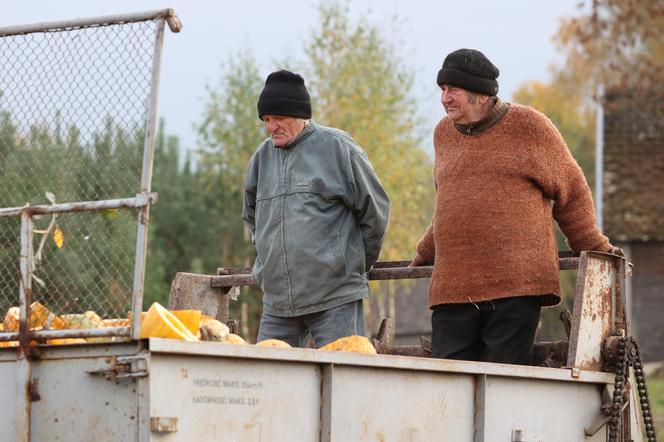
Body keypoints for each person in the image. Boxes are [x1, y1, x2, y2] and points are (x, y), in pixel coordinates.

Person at [411, 49, 622, 365]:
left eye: (453, 90)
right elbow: (451, 202)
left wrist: (592, 246)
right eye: (442, 90)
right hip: (454, 286)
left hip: (515, 284)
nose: (444, 98)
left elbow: (571, 191)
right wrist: (426, 251)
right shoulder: (443, 133)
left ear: (481, 95)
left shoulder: (530, 126)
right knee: (447, 385)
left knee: (505, 383)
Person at [243, 70, 390, 348]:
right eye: (266, 120)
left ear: (301, 116)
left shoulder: (338, 148)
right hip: (277, 303)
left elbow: (376, 210)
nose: (271, 127)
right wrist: (266, 264)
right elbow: (251, 217)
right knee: (268, 382)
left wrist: (352, 264)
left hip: (334, 297)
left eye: (279, 119)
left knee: (342, 381)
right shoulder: (262, 158)